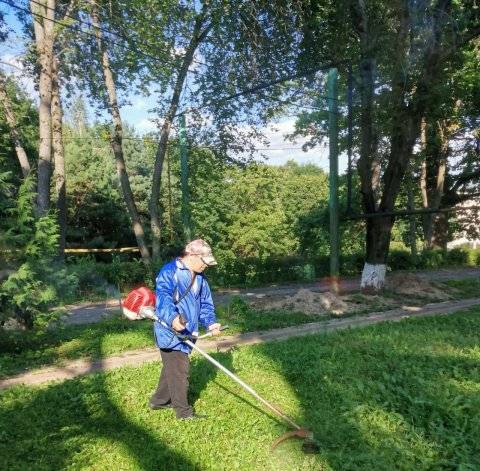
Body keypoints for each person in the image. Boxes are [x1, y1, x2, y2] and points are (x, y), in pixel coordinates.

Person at [149, 239, 221, 420]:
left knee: (171, 369)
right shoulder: (169, 271)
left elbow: (205, 303)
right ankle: (183, 412)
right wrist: (173, 318)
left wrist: (210, 322)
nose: (206, 265)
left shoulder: (200, 278)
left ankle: (158, 401)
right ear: (192, 255)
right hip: (170, 330)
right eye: (204, 261)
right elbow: (163, 298)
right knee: (180, 370)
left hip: (188, 332)